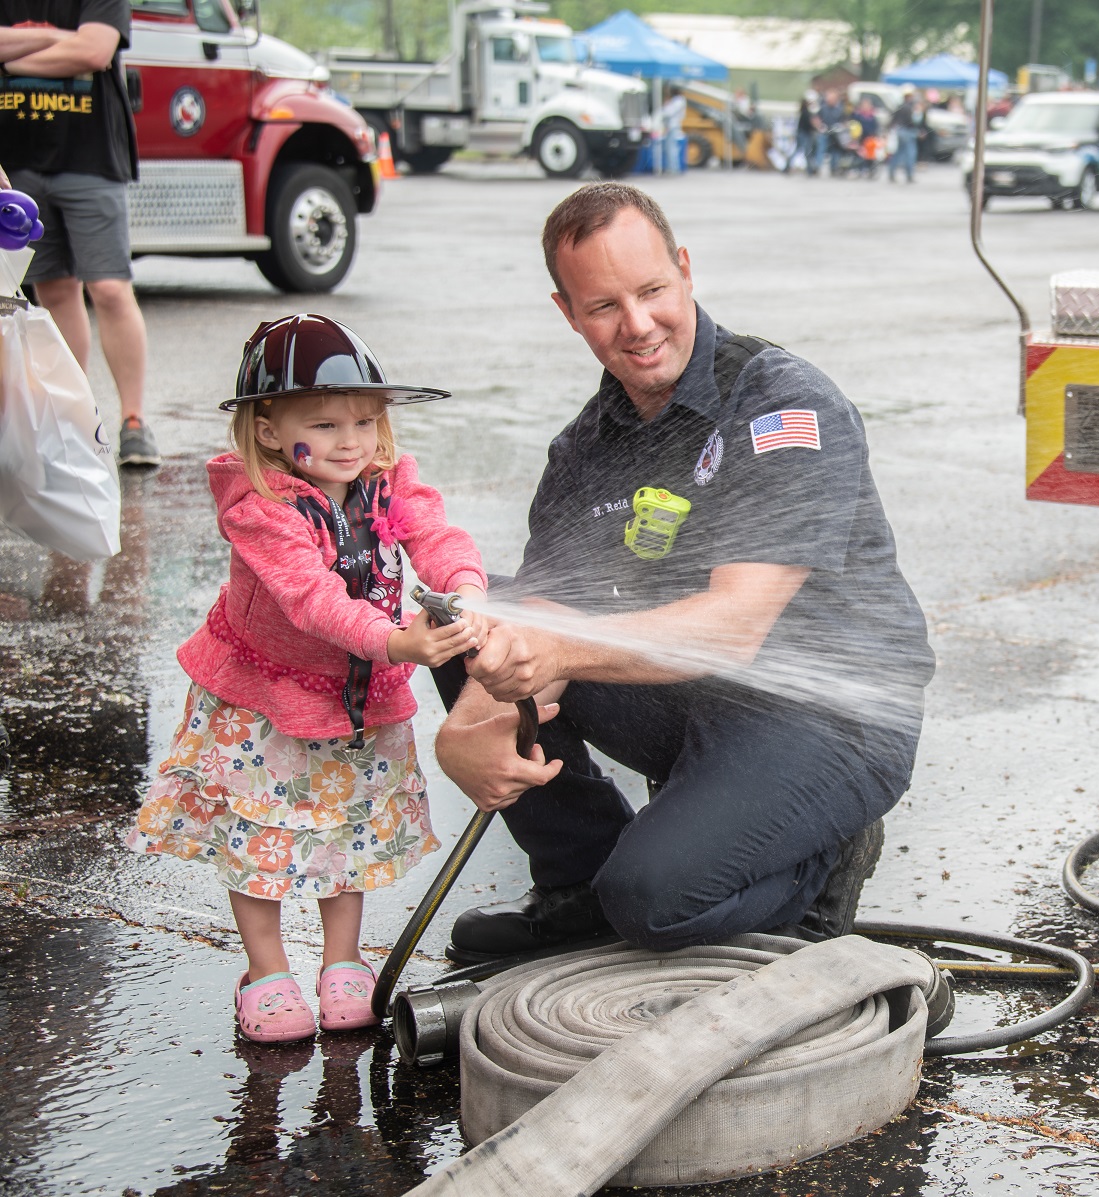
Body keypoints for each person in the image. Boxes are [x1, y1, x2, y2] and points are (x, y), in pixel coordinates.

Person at [435, 183, 933, 962]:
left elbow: (733, 626)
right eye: (603, 306)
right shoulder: (584, 449)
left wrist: (558, 651)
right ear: (568, 312)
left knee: (655, 901)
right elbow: (536, 612)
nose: (636, 325)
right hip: (693, 693)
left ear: (686, 270)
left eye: (652, 290)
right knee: (467, 619)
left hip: (828, 716)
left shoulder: (779, 407)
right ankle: (578, 884)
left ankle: (823, 854)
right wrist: (465, 729)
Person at [124, 314, 492, 1042]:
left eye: (364, 419)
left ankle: (342, 961)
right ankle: (265, 970)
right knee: (256, 834)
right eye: (323, 424)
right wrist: (396, 641)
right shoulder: (262, 508)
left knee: (346, 826)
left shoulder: (385, 482)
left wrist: (468, 589)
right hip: (266, 696)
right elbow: (313, 600)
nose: (350, 440)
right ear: (266, 428)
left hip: (355, 697)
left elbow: (437, 537)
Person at [0, 0, 158, 466]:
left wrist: (12, 55)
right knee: (54, 290)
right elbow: (82, 46)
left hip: (91, 159)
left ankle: (134, 421)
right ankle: (77, 419)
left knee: (109, 287)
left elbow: (94, 50)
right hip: (19, 162)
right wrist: (57, 38)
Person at [887, 91, 920, 184]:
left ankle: (891, 173)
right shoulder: (909, 107)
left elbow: (893, 119)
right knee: (910, 154)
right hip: (907, 132)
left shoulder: (900, 106)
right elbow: (911, 121)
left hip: (899, 131)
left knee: (898, 154)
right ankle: (909, 175)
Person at [818, 87, 848, 176]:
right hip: (825, 131)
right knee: (822, 148)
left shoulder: (840, 109)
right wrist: (821, 126)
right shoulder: (823, 108)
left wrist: (841, 126)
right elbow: (818, 118)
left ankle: (834, 168)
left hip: (836, 132)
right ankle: (818, 167)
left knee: (835, 150)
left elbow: (844, 120)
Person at [851, 95, 883, 178]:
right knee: (859, 154)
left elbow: (875, 127)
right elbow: (854, 126)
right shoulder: (858, 116)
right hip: (860, 139)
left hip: (869, 140)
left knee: (871, 156)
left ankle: (870, 169)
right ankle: (859, 169)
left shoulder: (872, 117)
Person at [659, 84, 687, 173]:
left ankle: (673, 168)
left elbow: (669, 112)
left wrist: (665, 106)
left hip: (673, 126)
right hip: (671, 126)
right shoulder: (677, 100)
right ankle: (671, 167)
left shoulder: (679, 100)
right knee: (669, 148)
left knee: (671, 148)